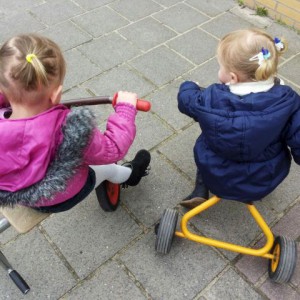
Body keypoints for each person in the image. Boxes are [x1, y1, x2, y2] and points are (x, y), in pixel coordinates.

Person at [0, 33, 151, 213]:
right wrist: (126, 110)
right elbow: (112, 149)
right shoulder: (66, 129)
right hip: (58, 196)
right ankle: (130, 175)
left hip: (16, 194)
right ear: (56, 94)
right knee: (104, 165)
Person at [177, 28, 300, 208]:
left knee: (207, 143)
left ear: (233, 77)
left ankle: (201, 189)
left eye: (221, 67)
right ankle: (248, 192)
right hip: (265, 179)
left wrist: (188, 86)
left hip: (215, 173)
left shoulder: (210, 98)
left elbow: (186, 102)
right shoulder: (289, 101)